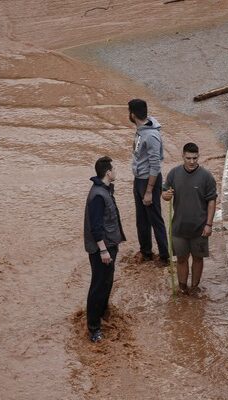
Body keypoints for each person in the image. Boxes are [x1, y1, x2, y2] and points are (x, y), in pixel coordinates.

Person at [162, 143, 217, 295]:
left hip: (200, 228)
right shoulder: (174, 173)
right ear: (183, 156)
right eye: (188, 158)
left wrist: (209, 224)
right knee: (181, 259)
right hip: (179, 227)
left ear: (198, 157)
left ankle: (194, 287)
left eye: (195, 158)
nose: (192, 162)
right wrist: (165, 195)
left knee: (198, 259)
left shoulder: (206, 177)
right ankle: (182, 288)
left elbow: (212, 201)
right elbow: (166, 192)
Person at [83, 156, 126, 342]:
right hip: (102, 249)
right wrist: (103, 250)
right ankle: (94, 328)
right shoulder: (98, 196)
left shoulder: (104, 190)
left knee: (106, 282)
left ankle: (102, 315)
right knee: (98, 286)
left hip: (109, 245)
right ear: (108, 173)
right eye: (114, 169)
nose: (116, 172)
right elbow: (96, 227)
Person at [129, 98, 169, 263]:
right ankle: (146, 251)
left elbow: (155, 165)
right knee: (141, 219)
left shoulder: (151, 135)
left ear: (132, 114)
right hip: (139, 178)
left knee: (155, 218)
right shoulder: (141, 129)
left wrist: (149, 191)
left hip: (148, 181)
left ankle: (165, 255)